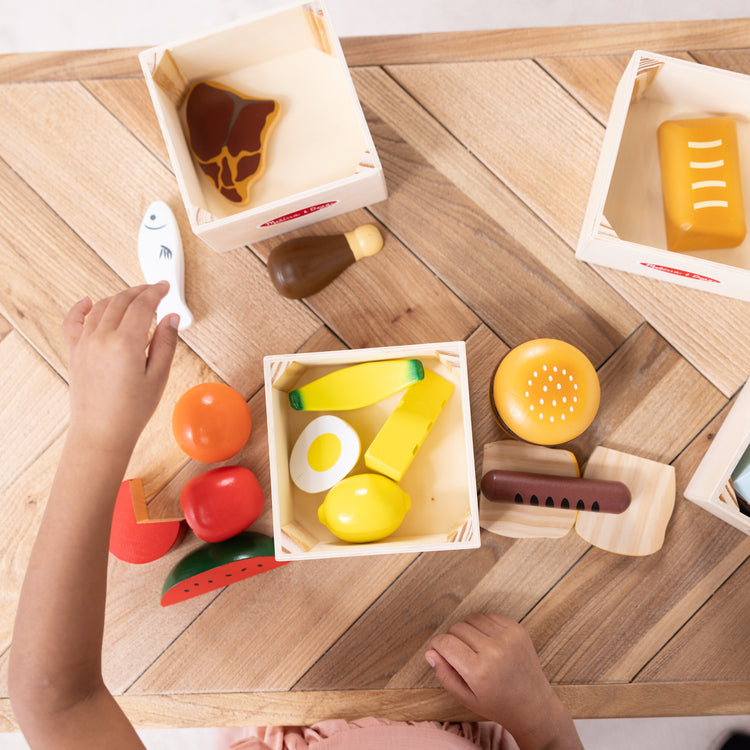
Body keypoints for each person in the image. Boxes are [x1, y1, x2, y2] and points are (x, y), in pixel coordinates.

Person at [8, 283, 583, 750]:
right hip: (480, 710)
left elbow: (56, 699)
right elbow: (56, 700)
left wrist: (98, 432)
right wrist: (541, 718)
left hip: (277, 710)